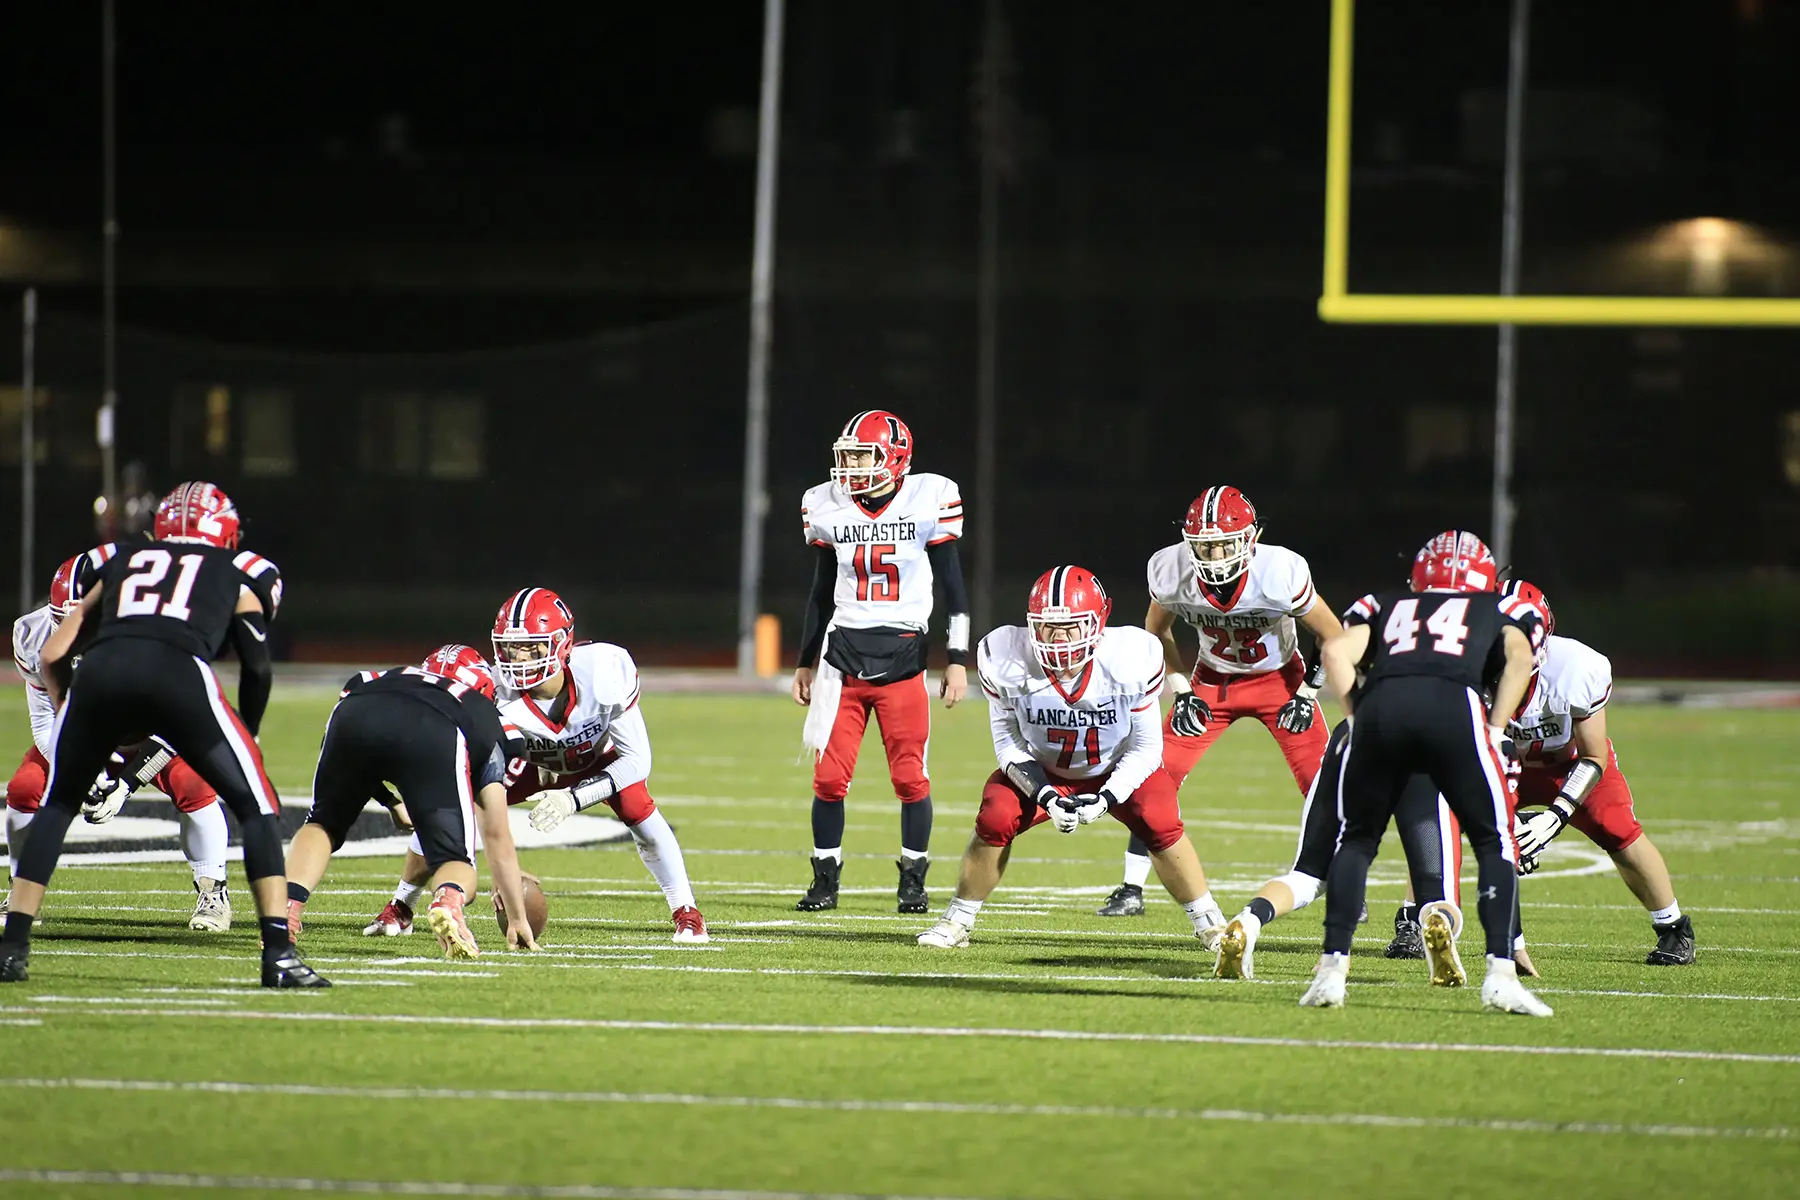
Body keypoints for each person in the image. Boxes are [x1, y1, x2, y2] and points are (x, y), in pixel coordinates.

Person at [0, 481, 326, 987]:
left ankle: (12, 948)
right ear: (228, 533)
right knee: (258, 806)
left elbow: (52, 654)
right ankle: (278, 955)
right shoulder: (243, 569)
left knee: (57, 807)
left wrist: (69, 710)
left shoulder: (117, 558)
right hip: (176, 672)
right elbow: (257, 667)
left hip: (102, 675)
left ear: (158, 530)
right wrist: (252, 733)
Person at [1299, 530, 1549, 1016]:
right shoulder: (1502, 607)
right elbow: (1522, 657)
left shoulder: (1384, 604)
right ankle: (1501, 971)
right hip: (1455, 706)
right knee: (1494, 843)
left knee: (1356, 842)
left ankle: (1332, 969)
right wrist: (1496, 726)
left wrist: (1357, 714)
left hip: (1382, 709)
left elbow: (1333, 652)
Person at [917, 567, 1226, 949]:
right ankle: (958, 920)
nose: (1058, 638)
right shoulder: (1005, 658)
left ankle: (1210, 924)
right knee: (996, 812)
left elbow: (1147, 748)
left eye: (1072, 626)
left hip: (1117, 767)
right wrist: (1045, 794)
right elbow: (1008, 745)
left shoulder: (1132, 657)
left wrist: (1108, 796)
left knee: (1160, 816)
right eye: (1047, 627)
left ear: (1099, 622)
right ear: (1031, 625)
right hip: (1044, 769)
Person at [1100, 487, 1344, 917]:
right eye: (1204, 545)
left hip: (1281, 681)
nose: (1213, 555)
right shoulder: (1171, 569)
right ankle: (1130, 888)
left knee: (1323, 784)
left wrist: (1308, 692)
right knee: (1151, 776)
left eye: (1223, 544)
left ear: (1251, 539)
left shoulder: (1279, 571)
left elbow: (1333, 634)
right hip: (1212, 683)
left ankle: (1341, 884)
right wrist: (1181, 688)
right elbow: (1156, 631)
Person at [792, 410, 969, 915]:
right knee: (828, 779)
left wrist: (956, 657)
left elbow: (954, 589)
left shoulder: (927, 498)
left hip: (904, 657)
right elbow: (821, 592)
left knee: (911, 778)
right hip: (840, 658)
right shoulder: (826, 506)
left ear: (895, 458)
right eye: (846, 456)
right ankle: (824, 881)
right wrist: (804, 660)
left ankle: (913, 880)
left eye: (862, 456)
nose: (850, 467)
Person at [476, 587, 710, 944]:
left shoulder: (603, 669)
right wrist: (499, 868)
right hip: (530, 763)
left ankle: (687, 912)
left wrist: (572, 799)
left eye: (531, 646)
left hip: (595, 759)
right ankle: (402, 904)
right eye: (512, 646)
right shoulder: (494, 690)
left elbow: (637, 762)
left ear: (561, 644)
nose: (519, 658)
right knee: (460, 800)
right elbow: (478, 772)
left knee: (638, 807)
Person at [284, 645, 539, 958]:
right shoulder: (486, 714)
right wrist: (517, 918)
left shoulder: (373, 677)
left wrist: (391, 801)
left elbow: (348, 757)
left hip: (356, 711)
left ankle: (286, 909)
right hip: (438, 729)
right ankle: (448, 901)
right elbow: (497, 833)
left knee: (322, 823)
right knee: (454, 860)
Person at [1500, 580, 1696, 966]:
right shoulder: (1468, 665)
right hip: (1503, 761)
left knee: (1617, 827)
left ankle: (1673, 927)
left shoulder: (1575, 667)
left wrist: (1554, 817)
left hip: (1570, 763)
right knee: (1439, 811)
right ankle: (1413, 915)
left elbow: (1593, 755)